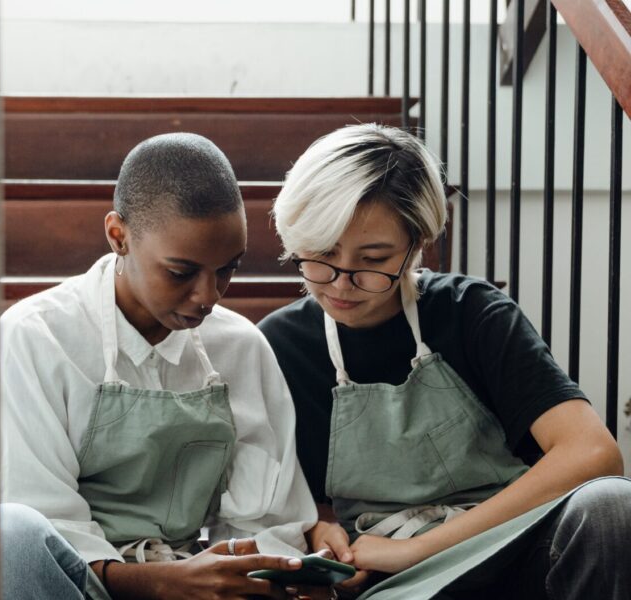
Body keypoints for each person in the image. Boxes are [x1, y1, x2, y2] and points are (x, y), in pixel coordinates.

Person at [258, 123, 631, 599]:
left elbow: (593, 454)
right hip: (389, 580)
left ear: (416, 246)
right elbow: (288, 502)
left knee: (612, 507)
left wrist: (421, 549)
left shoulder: (472, 313)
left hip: (509, 547)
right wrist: (320, 530)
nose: (341, 282)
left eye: (373, 259)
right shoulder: (279, 345)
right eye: (322, 253)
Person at [0, 132, 333, 600]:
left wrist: (241, 573)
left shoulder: (242, 347)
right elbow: (43, 530)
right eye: (181, 272)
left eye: (228, 269)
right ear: (118, 236)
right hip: (77, 590)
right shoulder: (35, 336)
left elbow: (267, 522)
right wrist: (163, 584)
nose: (208, 296)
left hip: (200, 590)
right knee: (12, 534)